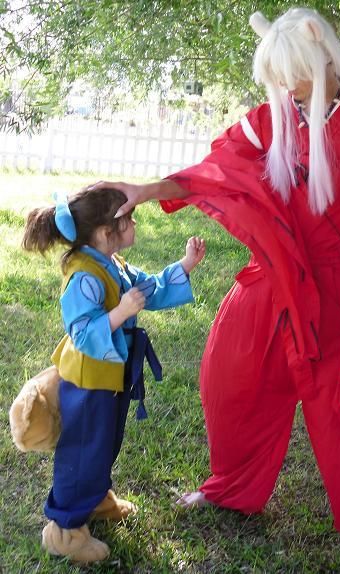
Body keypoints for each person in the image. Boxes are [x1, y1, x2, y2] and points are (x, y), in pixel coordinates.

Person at [93, 8, 340, 567]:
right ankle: (228, 485)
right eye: (276, 78)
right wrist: (150, 187)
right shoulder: (273, 117)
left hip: (335, 286)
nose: (284, 87)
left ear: (320, 54)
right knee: (230, 376)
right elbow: (219, 169)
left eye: (291, 74)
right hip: (274, 273)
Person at [21, 187, 205, 563]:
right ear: (107, 232)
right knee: (84, 448)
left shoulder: (112, 263)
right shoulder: (84, 277)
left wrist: (184, 266)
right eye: (130, 218)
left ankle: (96, 497)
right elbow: (82, 332)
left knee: (104, 443)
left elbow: (147, 289)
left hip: (110, 376)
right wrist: (120, 313)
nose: (135, 223)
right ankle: (64, 531)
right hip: (88, 382)